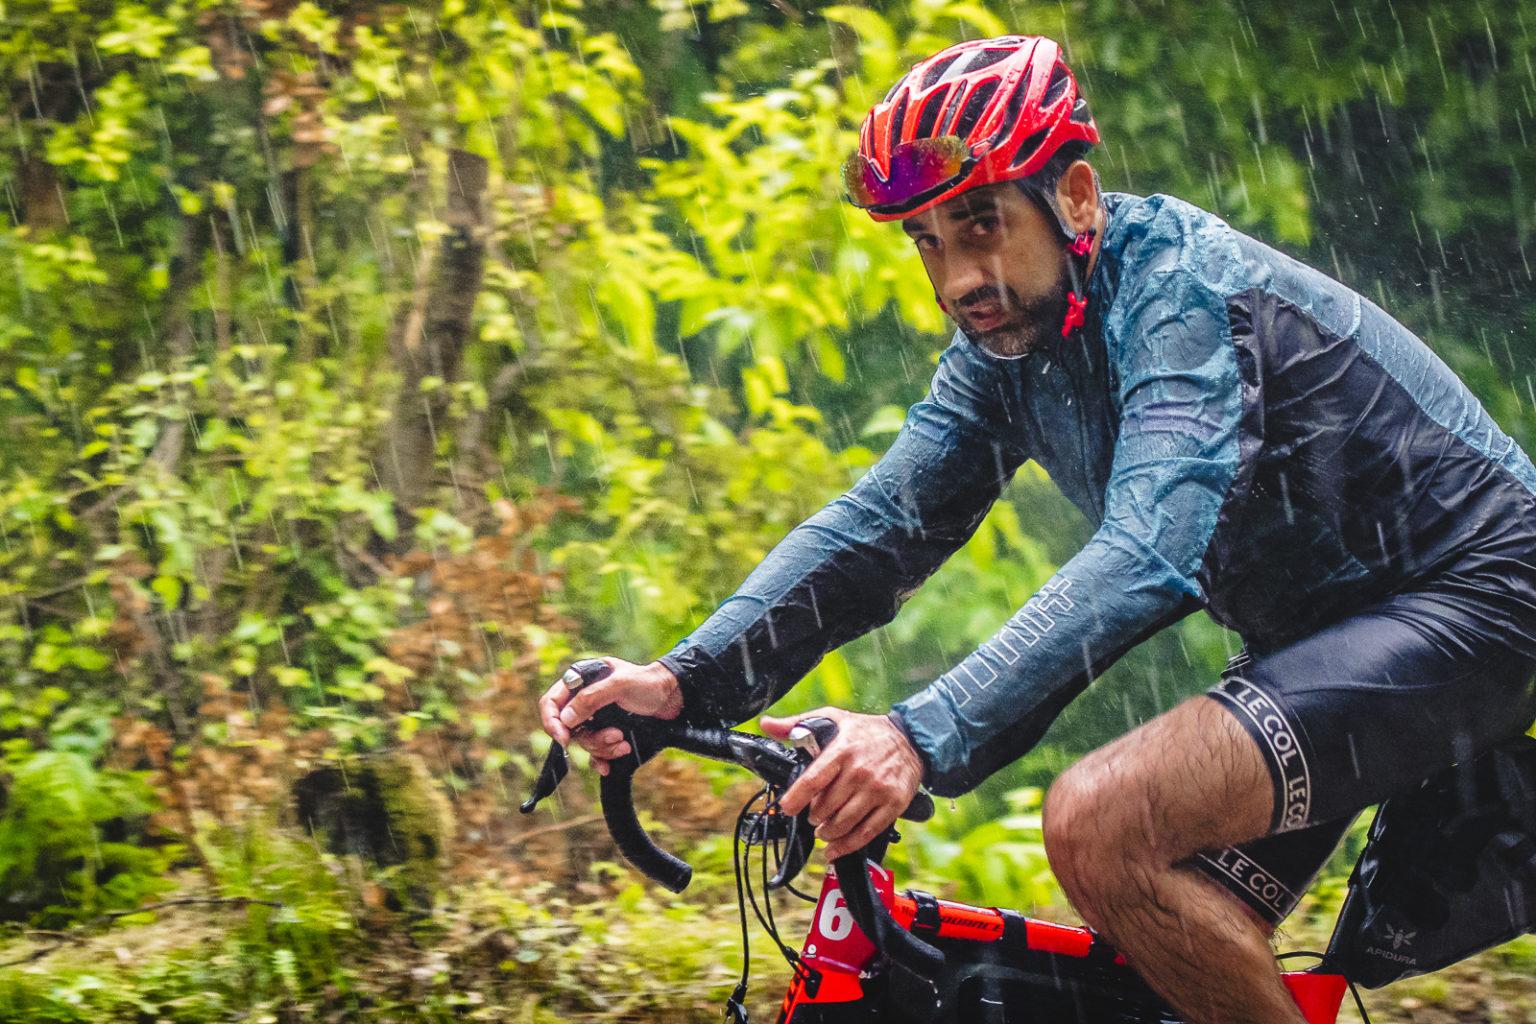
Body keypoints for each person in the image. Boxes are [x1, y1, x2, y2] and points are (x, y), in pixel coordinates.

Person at [539, 34, 1536, 1024]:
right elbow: (881, 526)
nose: (957, 277)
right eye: (927, 241)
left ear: (1077, 198)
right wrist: (687, 679)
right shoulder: (1007, 344)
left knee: (1101, 823)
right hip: (1326, 635)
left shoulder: (1178, 295)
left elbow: (1148, 552)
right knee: (1164, 956)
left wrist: (915, 736)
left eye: (980, 224)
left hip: (1483, 598)